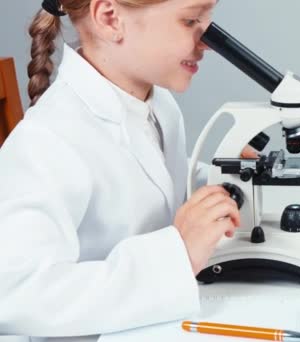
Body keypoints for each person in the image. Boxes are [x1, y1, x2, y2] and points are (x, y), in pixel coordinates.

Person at [0, 0, 256, 340]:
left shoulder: (158, 104)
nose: (208, 40)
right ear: (109, 18)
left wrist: (225, 179)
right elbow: (15, 295)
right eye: (191, 20)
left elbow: (157, 188)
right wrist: (175, 254)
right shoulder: (47, 140)